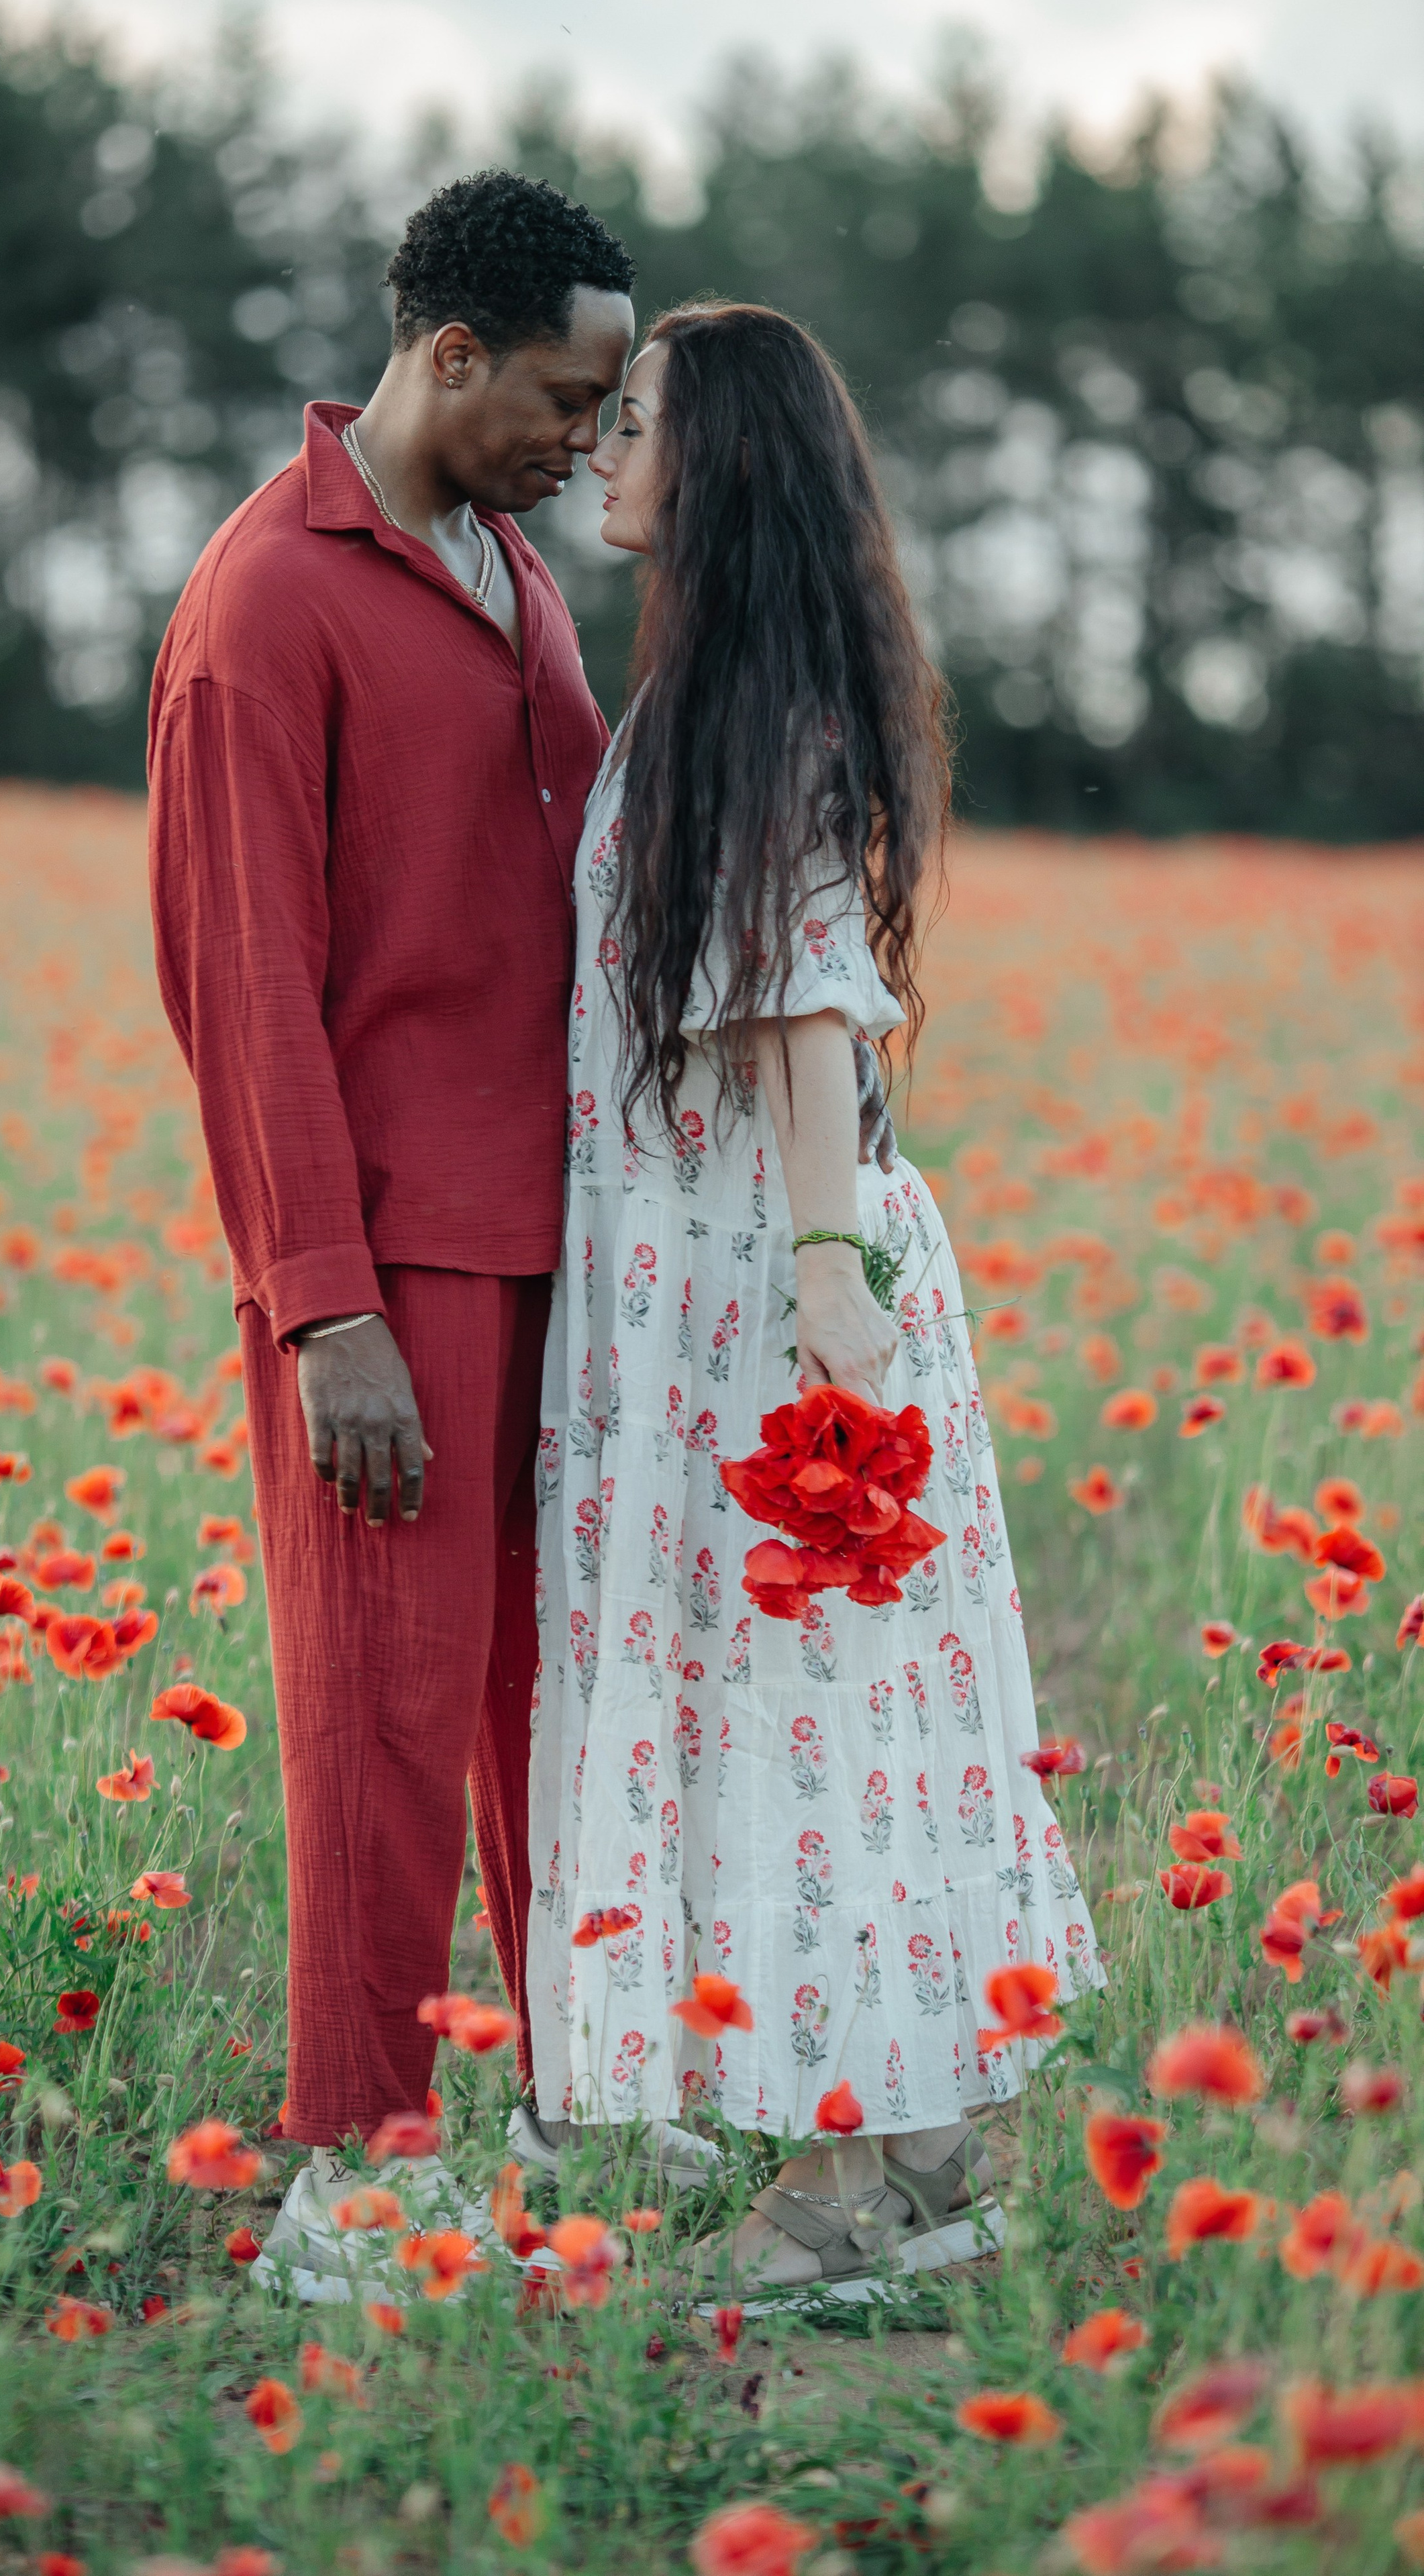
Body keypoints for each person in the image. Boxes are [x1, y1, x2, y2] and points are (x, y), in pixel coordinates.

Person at [518, 302, 1103, 2301]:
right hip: (713, 1275)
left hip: (769, 1289)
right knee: (804, 1703)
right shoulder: (707, 695)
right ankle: (922, 2129)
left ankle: (861, 2162)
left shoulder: (747, 714)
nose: (605, 448)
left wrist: (835, 1280)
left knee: (814, 1709)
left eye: (644, 422)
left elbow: (796, 1006)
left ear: (728, 461)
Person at [146, 172, 638, 2296]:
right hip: (395, 1260)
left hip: (562, 1234)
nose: (591, 443)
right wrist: (321, 1304)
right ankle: (352, 2180)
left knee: (551, 1706)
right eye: (568, 395)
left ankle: (548, 2111)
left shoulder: (513, 565)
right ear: (450, 357)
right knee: (378, 1711)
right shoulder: (268, 601)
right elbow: (240, 978)